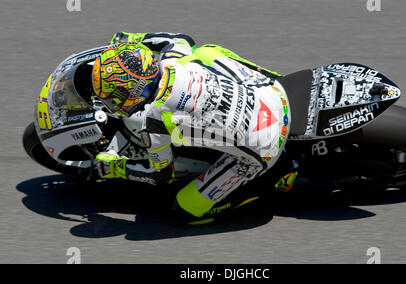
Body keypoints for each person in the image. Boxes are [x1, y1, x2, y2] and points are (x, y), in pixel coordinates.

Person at [93, 32, 295, 224]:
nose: (114, 105)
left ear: (133, 89)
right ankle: (277, 76)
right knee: (205, 52)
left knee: (188, 209)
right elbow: (182, 38)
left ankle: (274, 179)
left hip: (268, 145)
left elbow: (161, 176)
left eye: (114, 98)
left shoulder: (154, 122)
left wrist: (116, 168)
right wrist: (132, 38)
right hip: (275, 95)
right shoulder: (173, 59)